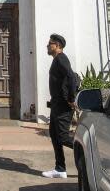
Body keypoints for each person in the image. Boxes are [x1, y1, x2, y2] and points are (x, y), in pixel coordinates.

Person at [42, 33, 76, 179]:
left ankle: (89, 150)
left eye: (50, 44)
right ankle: (60, 169)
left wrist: (71, 98)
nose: (47, 46)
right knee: (55, 136)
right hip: (56, 105)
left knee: (62, 137)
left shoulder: (61, 58)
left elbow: (71, 77)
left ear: (57, 46)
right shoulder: (57, 60)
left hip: (62, 106)